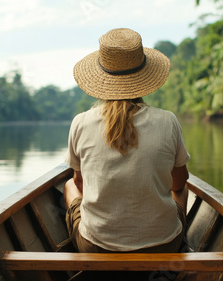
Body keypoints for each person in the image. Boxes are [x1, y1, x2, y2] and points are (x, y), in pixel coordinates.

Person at [64, 28, 190, 253]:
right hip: (163, 246)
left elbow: (80, 183)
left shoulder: (81, 122)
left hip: (95, 246)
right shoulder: (168, 121)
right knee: (181, 191)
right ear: (145, 75)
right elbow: (179, 184)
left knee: (69, 185)